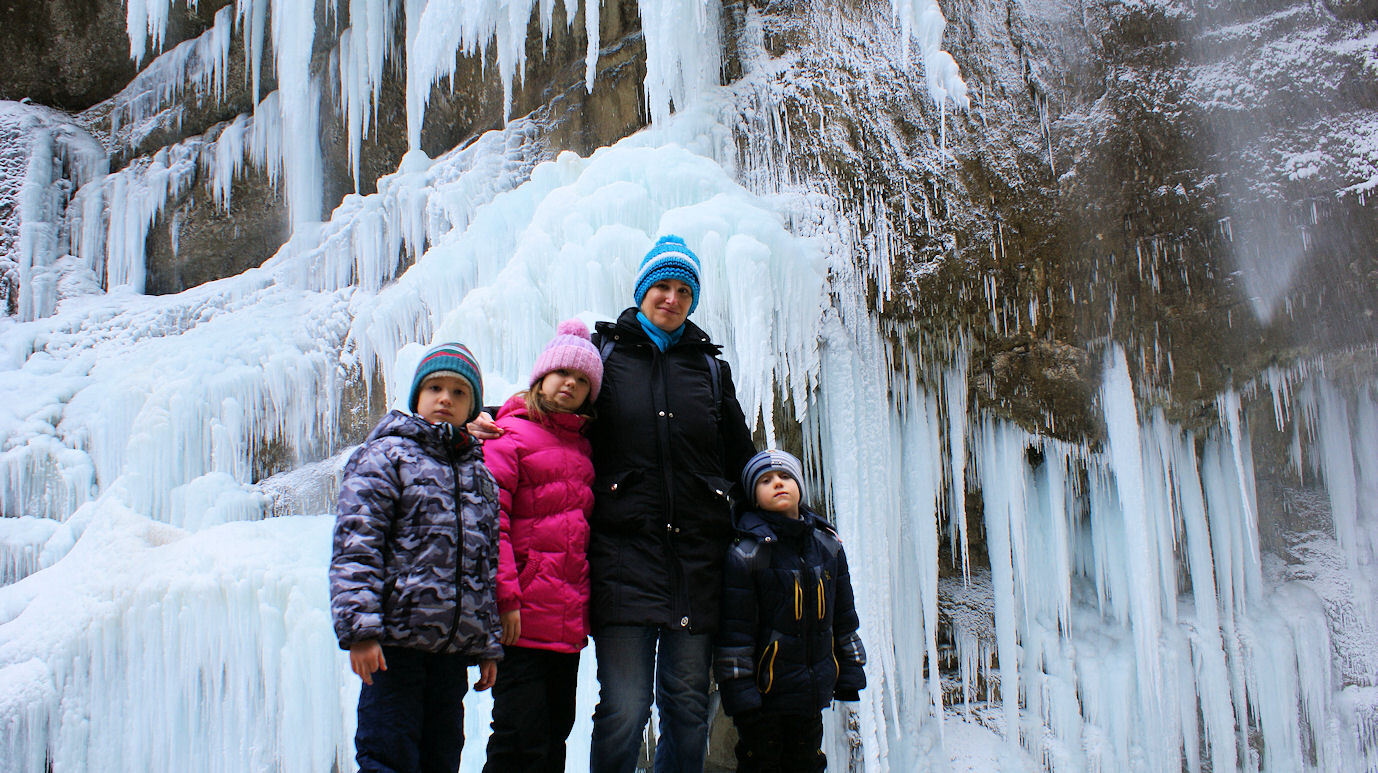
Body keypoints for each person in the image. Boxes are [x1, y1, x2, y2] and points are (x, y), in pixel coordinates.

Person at [587, 234, 757, 773]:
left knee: (685, 708)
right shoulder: (603, 358)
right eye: (661, 286)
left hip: (695, 561)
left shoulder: (709, 370)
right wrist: (495, 421)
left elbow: (740, 455)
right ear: (641, 291)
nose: (672, 297)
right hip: (623, 559)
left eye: (684, 290)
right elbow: (556, 412)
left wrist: (783, 507)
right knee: (625, 709)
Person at [330, 341, 503, 773]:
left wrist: (487, 643)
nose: (446, 398)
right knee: (388, 754)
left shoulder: (479, 472)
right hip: (394, 646)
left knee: (441, 757)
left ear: (472, 407)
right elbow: (357, 545)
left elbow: (486, 564)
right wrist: (361, 631)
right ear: (417, 398)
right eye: (435, 388)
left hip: (450, 654)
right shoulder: (386, 456)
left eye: (459, 393)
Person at [481, 320, 602, 773]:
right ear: (541, 378)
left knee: (554, 735)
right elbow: (492, 522)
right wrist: (506, 599)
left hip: (566, 625)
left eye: (583, 378)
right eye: (562, 373)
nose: (571, 383)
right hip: (523, 617)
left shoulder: (584, 449)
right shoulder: (507, 436)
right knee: (518, 737)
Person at [713, 450, 867, 773]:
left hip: (810, 694)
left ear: (799, 485)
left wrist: (850, 669)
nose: (778, 484)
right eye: (765, 481)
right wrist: (741, 696)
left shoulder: (828, 546)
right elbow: (735, 633)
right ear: (753, 497)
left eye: (785, 477)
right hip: (765, 697)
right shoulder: (747, 554)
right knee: (761, 765)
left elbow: (843, 618)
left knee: (807, 763)